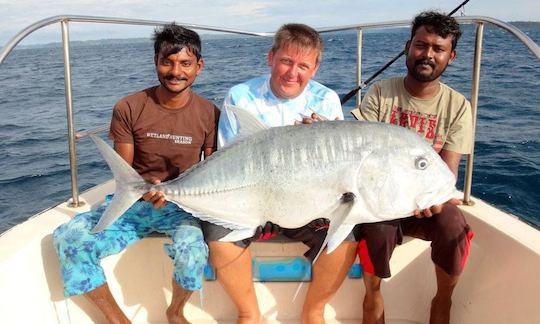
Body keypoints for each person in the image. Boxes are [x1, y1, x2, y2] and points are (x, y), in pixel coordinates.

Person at [53, 24, 220, 324]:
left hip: (181, 205)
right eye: (166, 61)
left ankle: (176, 312)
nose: (175, 71)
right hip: (133, 203)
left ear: (199, 67)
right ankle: (118, 320)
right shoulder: (129, 107)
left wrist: (176, 195)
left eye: (185, 63)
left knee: (192, 250)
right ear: (155, 61)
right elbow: (125, 175)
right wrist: (146, 190)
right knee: (69, 238)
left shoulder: (210, 113)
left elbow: (211, 171)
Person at [312, 11, 472, 324]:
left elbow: (447, 173)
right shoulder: (382, 94)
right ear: (407, 47)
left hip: (425, 202)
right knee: (377, 227)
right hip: (381, 199)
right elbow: (353, 149)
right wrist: (323, 131)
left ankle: (443, 298)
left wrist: (432, 200)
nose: (427, 54)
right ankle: (373, 295)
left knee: (454, 227)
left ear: (451, 57)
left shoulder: (457, 106)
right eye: (420, 45)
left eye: (438, 49)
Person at [204, 23, 350, 324]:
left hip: (308, 203)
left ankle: (313, 312)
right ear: (271, 57)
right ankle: (249, 314)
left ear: (315, 69)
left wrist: (320, 140)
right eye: (286, 61)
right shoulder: (241, 96)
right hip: (250, 199)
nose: (292, 72)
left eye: (303, 66)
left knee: (345, 235)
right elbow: (228, 161)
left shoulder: (327, 101)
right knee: (218, 235)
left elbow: (338, 172)